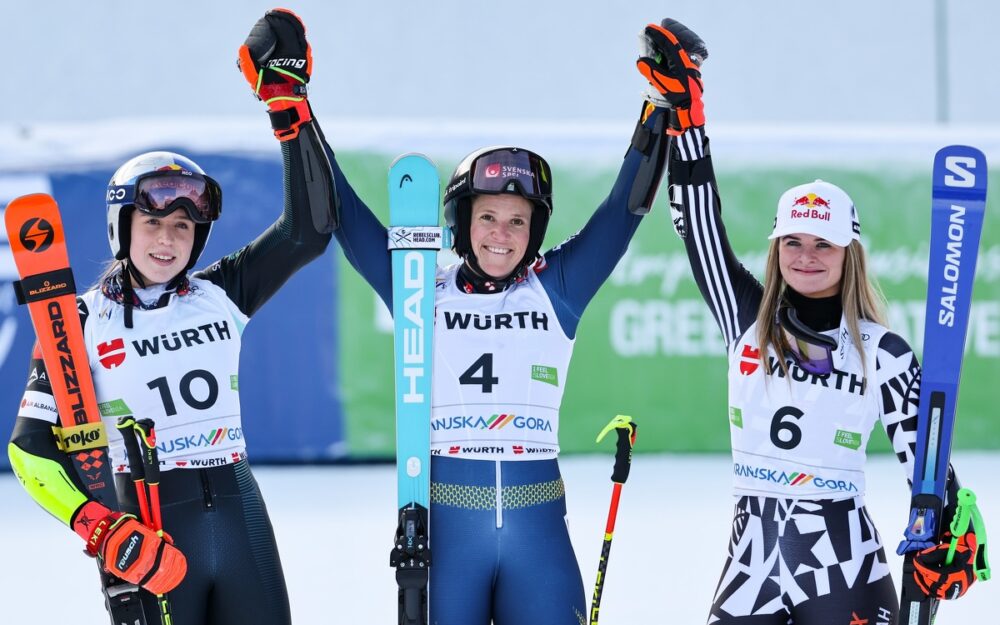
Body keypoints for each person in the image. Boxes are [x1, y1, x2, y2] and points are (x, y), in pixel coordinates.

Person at [234, 9, 688, 625]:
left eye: (518, 221)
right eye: (488, 218)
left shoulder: (557, 288)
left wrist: (659, 107)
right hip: (449, 539)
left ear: (535, 230)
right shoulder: (420, 287)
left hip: (538, 538)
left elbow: (624, 211)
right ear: (460, 223)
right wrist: (292, 109)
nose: (502, 235)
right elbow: (339, 209)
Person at [642, 19, 986, 624]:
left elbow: (924, 462)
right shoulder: (746, 317)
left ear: (848, 252)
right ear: (775, 249)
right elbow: (698, 227)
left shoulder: (882, 350)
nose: (805, 256)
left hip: (844, 564)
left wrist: (945, 519)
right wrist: (688, 125)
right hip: (751, 560)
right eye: (792, 242)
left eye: (822, 244)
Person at [7, 13, 337, 621]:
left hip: (239, 510)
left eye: (183, 226)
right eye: (152, 223)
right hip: (148, 527)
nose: (168, 240)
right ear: (121, 228)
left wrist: (289, 107)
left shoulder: (223, 293)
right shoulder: (76, 320)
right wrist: (100, 527)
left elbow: (309, 230)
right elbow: (29, 452)